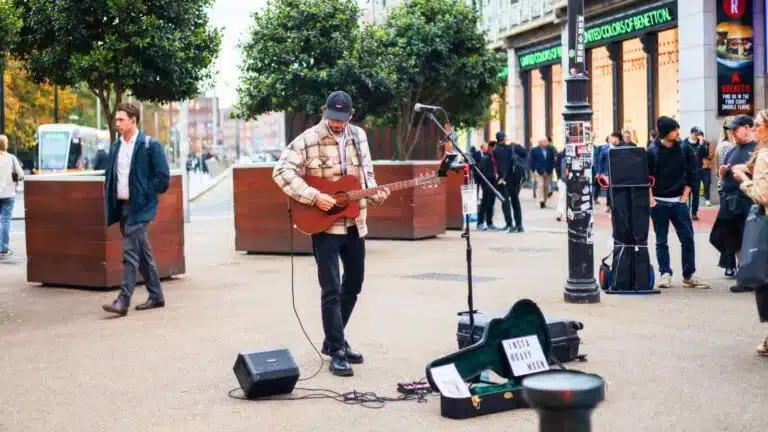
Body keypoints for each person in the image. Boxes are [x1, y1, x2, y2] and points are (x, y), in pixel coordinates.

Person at [273, 90, 390, 377]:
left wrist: (375, 194)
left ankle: (332, 339)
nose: (336, 124)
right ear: (325, 112)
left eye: (342, 119)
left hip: (355, 222)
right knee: (331, 289)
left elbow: (367, 175)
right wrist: (313, 197)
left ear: (351, 116)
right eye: (331, 118)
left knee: (355, 283)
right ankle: (337, 349)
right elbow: (281, 171)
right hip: (324, 226)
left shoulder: (359, 137)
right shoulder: (308, 138)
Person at [102, 102, 171, 316]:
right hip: (122, 207)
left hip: (140, 208)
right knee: (142, 253)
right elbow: (113, 175)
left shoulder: (150, 145)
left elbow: (163, 178)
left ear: (133, 120)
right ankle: (156, 295)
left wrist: (144, 193)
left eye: (121, 120)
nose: (117, 124)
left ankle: (123, 301)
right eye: (116, 120)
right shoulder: (116, 146)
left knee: (130, 253)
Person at [647, 116, 710, 289]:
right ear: (665, 132)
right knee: (661, 240)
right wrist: (651, 199)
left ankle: (688, 275)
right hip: (659, 202)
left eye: (677, 129)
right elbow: (647, 177)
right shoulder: (652, 151)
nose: (677, 133)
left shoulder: (684, 148)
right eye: (674, 130)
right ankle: (665, 273)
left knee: (688, 238)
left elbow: (693, 172)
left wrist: (685, 195)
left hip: (679, 202)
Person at [731, 109, 768, 355]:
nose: (754, 129)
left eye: (758, 125)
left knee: (765, 281)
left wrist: (743, 178)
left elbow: (763, 195)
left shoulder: (765, 155)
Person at [716, 115, 758, 294]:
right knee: (733, 238)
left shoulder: (757, 149)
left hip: (749, 200)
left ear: (748, 127)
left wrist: (743, 170)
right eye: (731, 129)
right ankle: (744, 274)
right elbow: (725, 170)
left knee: (750, 239)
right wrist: (723, 171)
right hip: (731, 201)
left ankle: (751, 277)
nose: (732, 132)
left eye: (736, 128)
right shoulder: (734, 149)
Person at [0, 135, 24, 257]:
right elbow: (21, 175)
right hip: (8, 194)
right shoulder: (11, 158)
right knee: (5, 221)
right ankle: (3, 248)